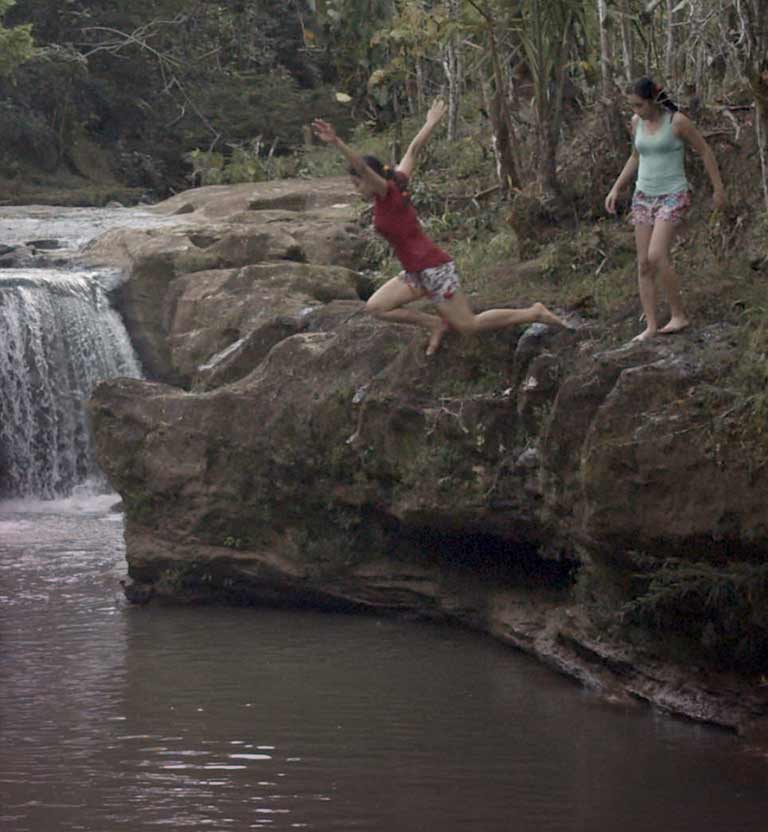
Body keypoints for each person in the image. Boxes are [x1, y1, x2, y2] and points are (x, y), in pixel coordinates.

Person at [312, 100, 569, 356]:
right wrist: (430, 122)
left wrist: (337, 143)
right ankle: (434, 324)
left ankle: (534, 312)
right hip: (415, 273)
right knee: (376, 307)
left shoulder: (386, 192)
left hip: (433, 268)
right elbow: (413, 151)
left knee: (468, 325)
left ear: (370, 179)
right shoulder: (397, 182)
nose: (356, 189)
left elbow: (362, 167)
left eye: (357, 184)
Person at [605, 77, 726, 341]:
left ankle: (678, 315)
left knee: (657, 254)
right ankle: (650, 325)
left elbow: (705, 151)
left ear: (653, 101)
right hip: (643, 195)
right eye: (632, 106)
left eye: (639, 105)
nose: (636, 111)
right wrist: (616, 188)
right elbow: (636, 157)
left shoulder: (677, 122)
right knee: (644, 263)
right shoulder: (637, 123)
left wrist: (718, 189)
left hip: (673, 194)